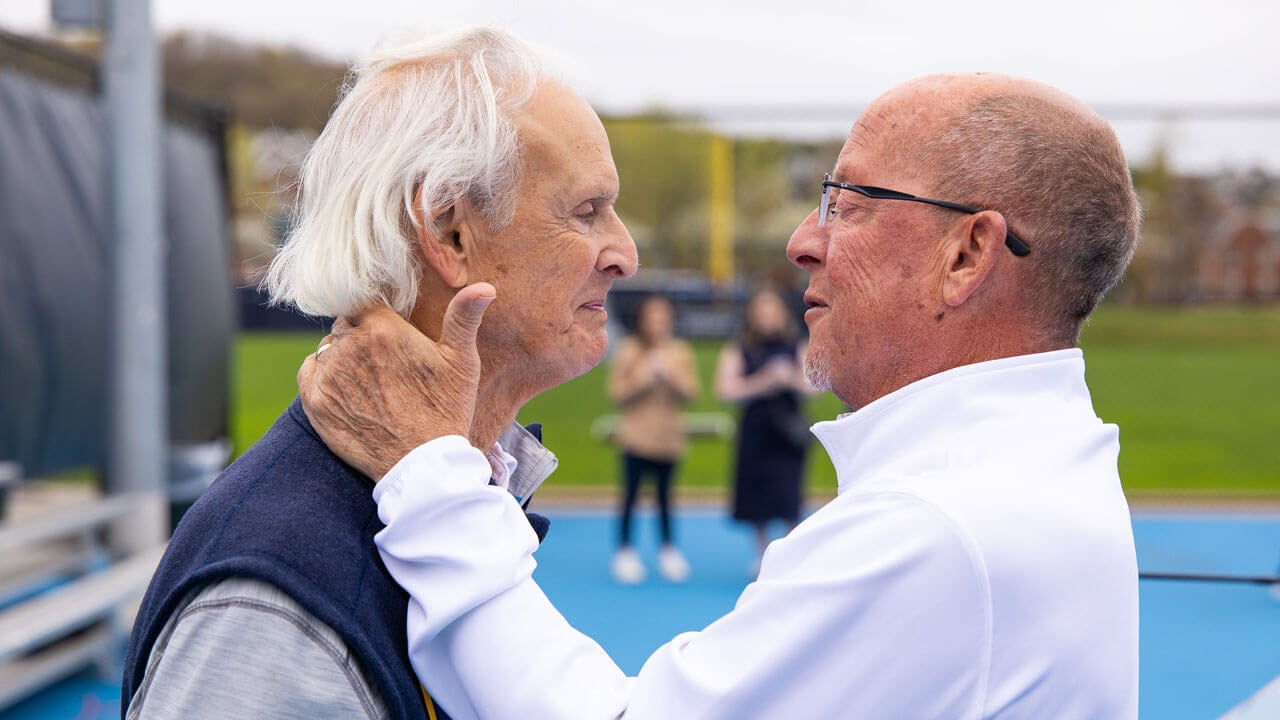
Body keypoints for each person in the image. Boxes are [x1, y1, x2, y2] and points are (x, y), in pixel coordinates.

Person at [301, 71, 1143, 718]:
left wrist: (429, 477)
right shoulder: (1038, 466)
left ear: (967, 255)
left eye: (849, 204)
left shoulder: (936, 529)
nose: (804, 241)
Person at [121, 27, 637, 719]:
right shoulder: (274, 606)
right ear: (449, 231)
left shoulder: (441, 495)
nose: (624, 253)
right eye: (588, 211)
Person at [714, 285, 811, 574]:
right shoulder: (740, 348)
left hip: (788, 432)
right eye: (761, 311)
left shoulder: (797, 344)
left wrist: (789, 378)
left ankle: (791, 553)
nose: (767, 316)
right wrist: (762, 382)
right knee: (756, 496)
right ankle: (763, 553)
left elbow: (815, 385)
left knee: (789, 495)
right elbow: (724, 390)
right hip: (755, 431)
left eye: (772, 310)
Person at [607, 294, 700, 584]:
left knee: (665, 497)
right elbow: (616, 394)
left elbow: (691, 393)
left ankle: (668, 550)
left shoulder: (679, 352)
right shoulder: (629, 350)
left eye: (663, 317)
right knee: (631, 496)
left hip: (668, 439)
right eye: (652, 318)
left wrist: (669, 375)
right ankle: (624, 550)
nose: (658, 324)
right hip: (636, 438)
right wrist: (645, 377)